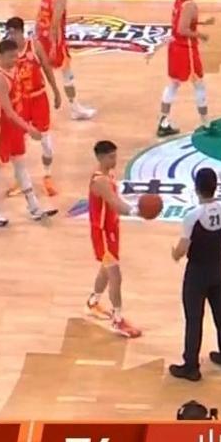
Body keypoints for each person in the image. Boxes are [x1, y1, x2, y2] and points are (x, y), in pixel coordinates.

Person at [168, 166, 221, 381]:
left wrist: (174, 253)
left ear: (196, 188)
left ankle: (191, 366)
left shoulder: (193, 216)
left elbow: (182, 250)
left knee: (194, 319)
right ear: (215, 187)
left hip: (197, 274)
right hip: (217, 270)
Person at [0, 39, 55, 227]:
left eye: (16, 56)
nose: (15, 60)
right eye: (11, 57)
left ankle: (34, 207)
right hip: (1, 128)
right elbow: (8, 111)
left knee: (21, 165)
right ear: (0, 56)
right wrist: (28, 128)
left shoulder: (13, 70)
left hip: (13, 127)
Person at [85, 140, 144, 339]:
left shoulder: (108, 175)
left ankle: (93, 302)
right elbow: (115, 203)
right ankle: (117, 320)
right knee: (115, 275)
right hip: (102, 232)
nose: (115, 160)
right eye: (111, 157)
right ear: (101, 158)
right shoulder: (100, 181)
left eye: (115, 155)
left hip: (111, 230)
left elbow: (116, 203)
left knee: (105, 269)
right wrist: (137, 211)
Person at [3, 16, 62, 196]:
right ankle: (20, 179)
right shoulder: (6, 52)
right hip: (20, 101)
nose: (11, 36)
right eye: (9, 33)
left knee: (46, 143)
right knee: (17, 143)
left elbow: (47, 68)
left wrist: (56, 91)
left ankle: (47, 175)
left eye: (14, 33)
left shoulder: (34, 46)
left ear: (21, 32)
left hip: (38, 99)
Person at [158, 0, 212, 136]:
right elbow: (182, 29)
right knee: (199, 84)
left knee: (173, 84)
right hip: (186, 49)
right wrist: (200, 35)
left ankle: (163, 122)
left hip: (175, 48)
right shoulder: (190, 5)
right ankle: (206, 123)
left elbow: (180, 22)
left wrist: (201, 23)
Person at [36, 0, 96, 120]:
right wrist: (54, 47)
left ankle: (74, 107)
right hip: (54, 41)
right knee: (67, 75)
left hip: (42, 38)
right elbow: (55, 24)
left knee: (41, 72)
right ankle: (75, 109)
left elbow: (42, 18)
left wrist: (73, 20)